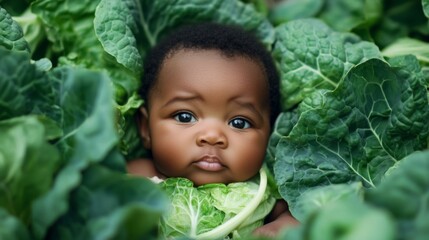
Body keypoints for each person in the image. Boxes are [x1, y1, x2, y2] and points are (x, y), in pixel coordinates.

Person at [127, 22, 298, 237]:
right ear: (145, 129)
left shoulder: (264, 192)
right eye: (185, 116)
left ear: (269, 135)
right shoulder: (136, 174)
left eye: (239, 123)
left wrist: (282, 225)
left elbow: (299, 215)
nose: (212, 136)